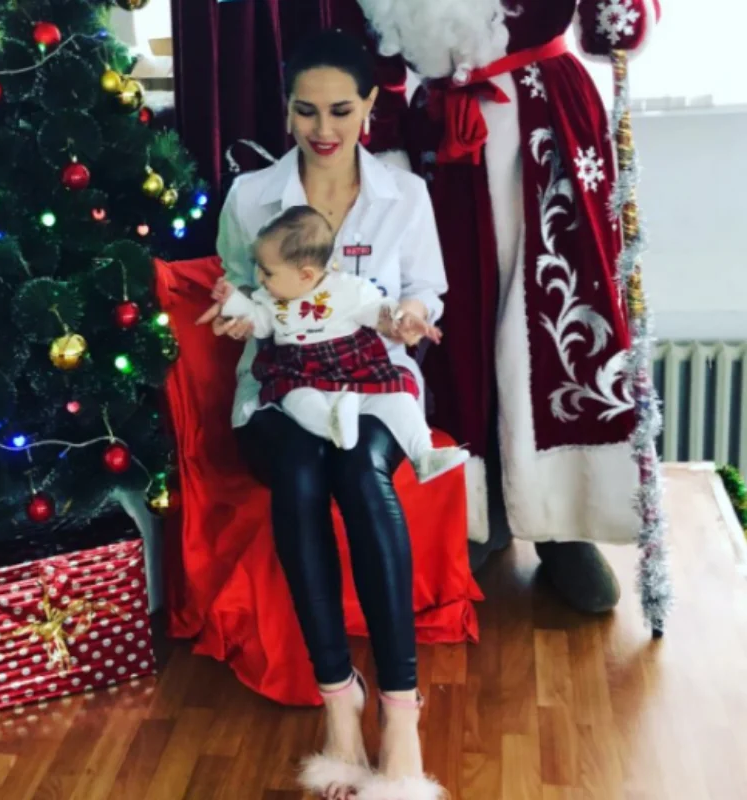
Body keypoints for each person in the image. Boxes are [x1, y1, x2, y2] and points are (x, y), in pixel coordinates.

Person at [196, 29, 451, 800]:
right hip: (278, 386)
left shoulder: (404, 195)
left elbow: (426, 288)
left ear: (371, 104)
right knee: (302, 472)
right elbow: (239, 284)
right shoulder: (251, 195)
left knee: (360, 468)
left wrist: (413, 313)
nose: (323, 128)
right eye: (306, 110)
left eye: (341, 109)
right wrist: (235, 308)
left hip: (374, 382)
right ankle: (340, 702)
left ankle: (400, 712)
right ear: (287, 108)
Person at [351, 0, 663, 612]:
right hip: (442, 140)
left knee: (561, 324)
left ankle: (564, 521)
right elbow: (374, 38)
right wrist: (384, 134)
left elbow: (613, 30)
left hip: (552, 125)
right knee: (454, 329)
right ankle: (476, 510)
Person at [213, 204, 469, 483]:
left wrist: (401, 319)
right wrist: (232, 301)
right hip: (300, 374)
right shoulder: (269, 300)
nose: (260, 278)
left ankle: (423, 453)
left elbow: (379, 310)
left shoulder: (350, 289)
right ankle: (332, 425)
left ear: (306, 275)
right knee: (298, 400)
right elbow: (256, 320)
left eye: (268, 272)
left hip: (355, 370)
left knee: (398, 396)